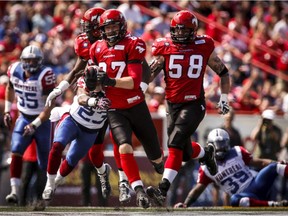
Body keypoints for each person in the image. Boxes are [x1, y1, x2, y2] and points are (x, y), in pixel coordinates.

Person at [146, 10, 231, 206]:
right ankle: (205, 153)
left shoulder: (204, 45)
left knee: (174, 145)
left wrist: (224, 97)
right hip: (172, 103)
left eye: (184, 30)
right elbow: (149, 75)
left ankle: (162, 191)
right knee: (183, 152)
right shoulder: (164, 46)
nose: (179, 34)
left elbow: (223, 73)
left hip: (194, 103)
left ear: (193, 31)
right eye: (177, 30)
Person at [89, 9, 164, 209]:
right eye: (107, 27)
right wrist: (92, 87)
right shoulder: (96, 48)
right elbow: (94, 83)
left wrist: (109, 81)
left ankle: (164, 174)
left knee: (157, 159)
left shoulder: (133, 44)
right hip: (115, 108)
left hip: (136, 105)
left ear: (122, 26)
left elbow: (133, 81)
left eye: (114, 26)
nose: (111, 30)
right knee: (124, 146)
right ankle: (138, 191)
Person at [42, 65, 111, 202]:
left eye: (94, 83)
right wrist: (94, 101)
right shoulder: (82, 82)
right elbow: (81, 98)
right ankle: (49, 185)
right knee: (57, 146)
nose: (91, 86)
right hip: (72, 120)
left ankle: (56, 182)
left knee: (71, 160)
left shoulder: (111, 89)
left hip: (90, 130)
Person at [174, 128, 288, 208]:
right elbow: (197, 190)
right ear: (210, 146)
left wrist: (278, 162)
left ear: (228, 143)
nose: (220, 148)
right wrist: (185, 204)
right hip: (245, 196)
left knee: (275, 166)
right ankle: (274, 205)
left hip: (256, 184)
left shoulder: (237, 151)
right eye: (217, 145)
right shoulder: (206, 168)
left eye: (222, 144)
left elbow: (261, 163)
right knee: (235, 200)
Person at [3, 44, 56, 209]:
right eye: (28, 60)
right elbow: (9, 88)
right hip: (24, 117)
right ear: (22, 60)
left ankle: (41, 200)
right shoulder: (14, 70)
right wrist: (6, 111)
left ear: (40, 61)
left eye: (34, 61)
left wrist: (36, 124)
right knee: (16, 150)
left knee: (42, 161)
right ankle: (13, 191)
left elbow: (49, 106)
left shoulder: (45, 75)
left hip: (42, 121)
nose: (31, 64)